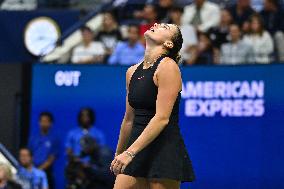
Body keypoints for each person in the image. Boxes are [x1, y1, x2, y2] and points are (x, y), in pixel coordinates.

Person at [110, 23, 195, 189]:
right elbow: (129, 119)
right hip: (135, 148)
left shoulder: (168, 67)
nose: (156, 24)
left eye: (165, 27)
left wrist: (129, 152)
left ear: (168, 44)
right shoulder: (131, 72)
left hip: (163, 149)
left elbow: (162, 118)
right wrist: (119, 154)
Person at [28, 112, 58, 189]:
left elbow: (52, 158)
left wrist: (39, 170)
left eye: (46, 121)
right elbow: (29, 153)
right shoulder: (33, 137)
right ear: (39, 122)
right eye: (42, 121)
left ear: (50, 123)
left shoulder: (54, 139)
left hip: (47, 172)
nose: (43, 124)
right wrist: (32, 170)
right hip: (33, 170)